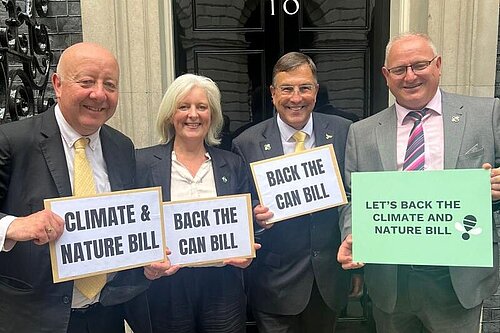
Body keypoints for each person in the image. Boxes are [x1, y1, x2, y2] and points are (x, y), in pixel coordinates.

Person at [337, 32, 500, 333]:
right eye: (399, 69)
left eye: (419, 65)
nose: (410, 76)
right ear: (386, 75)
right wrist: (352, 233)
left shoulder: (486, 114)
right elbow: (351, 197)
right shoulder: (362, 133)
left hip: (457, 280)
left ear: (438, 65)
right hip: (392, 282)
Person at [0, 42, 151, 333]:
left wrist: (147, 257)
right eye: (86, 82)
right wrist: (12, 227)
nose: (99, 94)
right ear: (57, 84)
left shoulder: (121, 146)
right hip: (33, 318)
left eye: (110, 84)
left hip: (105, 316)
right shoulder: (12, 142)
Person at [232, 52, 352, 333]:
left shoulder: (345, 131)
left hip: (328, 281)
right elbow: (240, 206)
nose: (296, 98)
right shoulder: (246, 143)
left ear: (316, 91)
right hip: (274, 285)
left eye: (304, 88)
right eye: (287, 89)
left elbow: (352, 192)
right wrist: (254, 216)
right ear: (273, 94)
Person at [136, 73, 258, 333]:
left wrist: (247, 250)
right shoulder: (142, 164)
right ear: (171, 114)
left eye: (201, 107)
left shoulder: (233, 164)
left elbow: (245, 222)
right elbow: (132, 226)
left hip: (222, 284)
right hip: (166, 287)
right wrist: (144, 265)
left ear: (211, 115)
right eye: (184, 106)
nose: (193, 114)